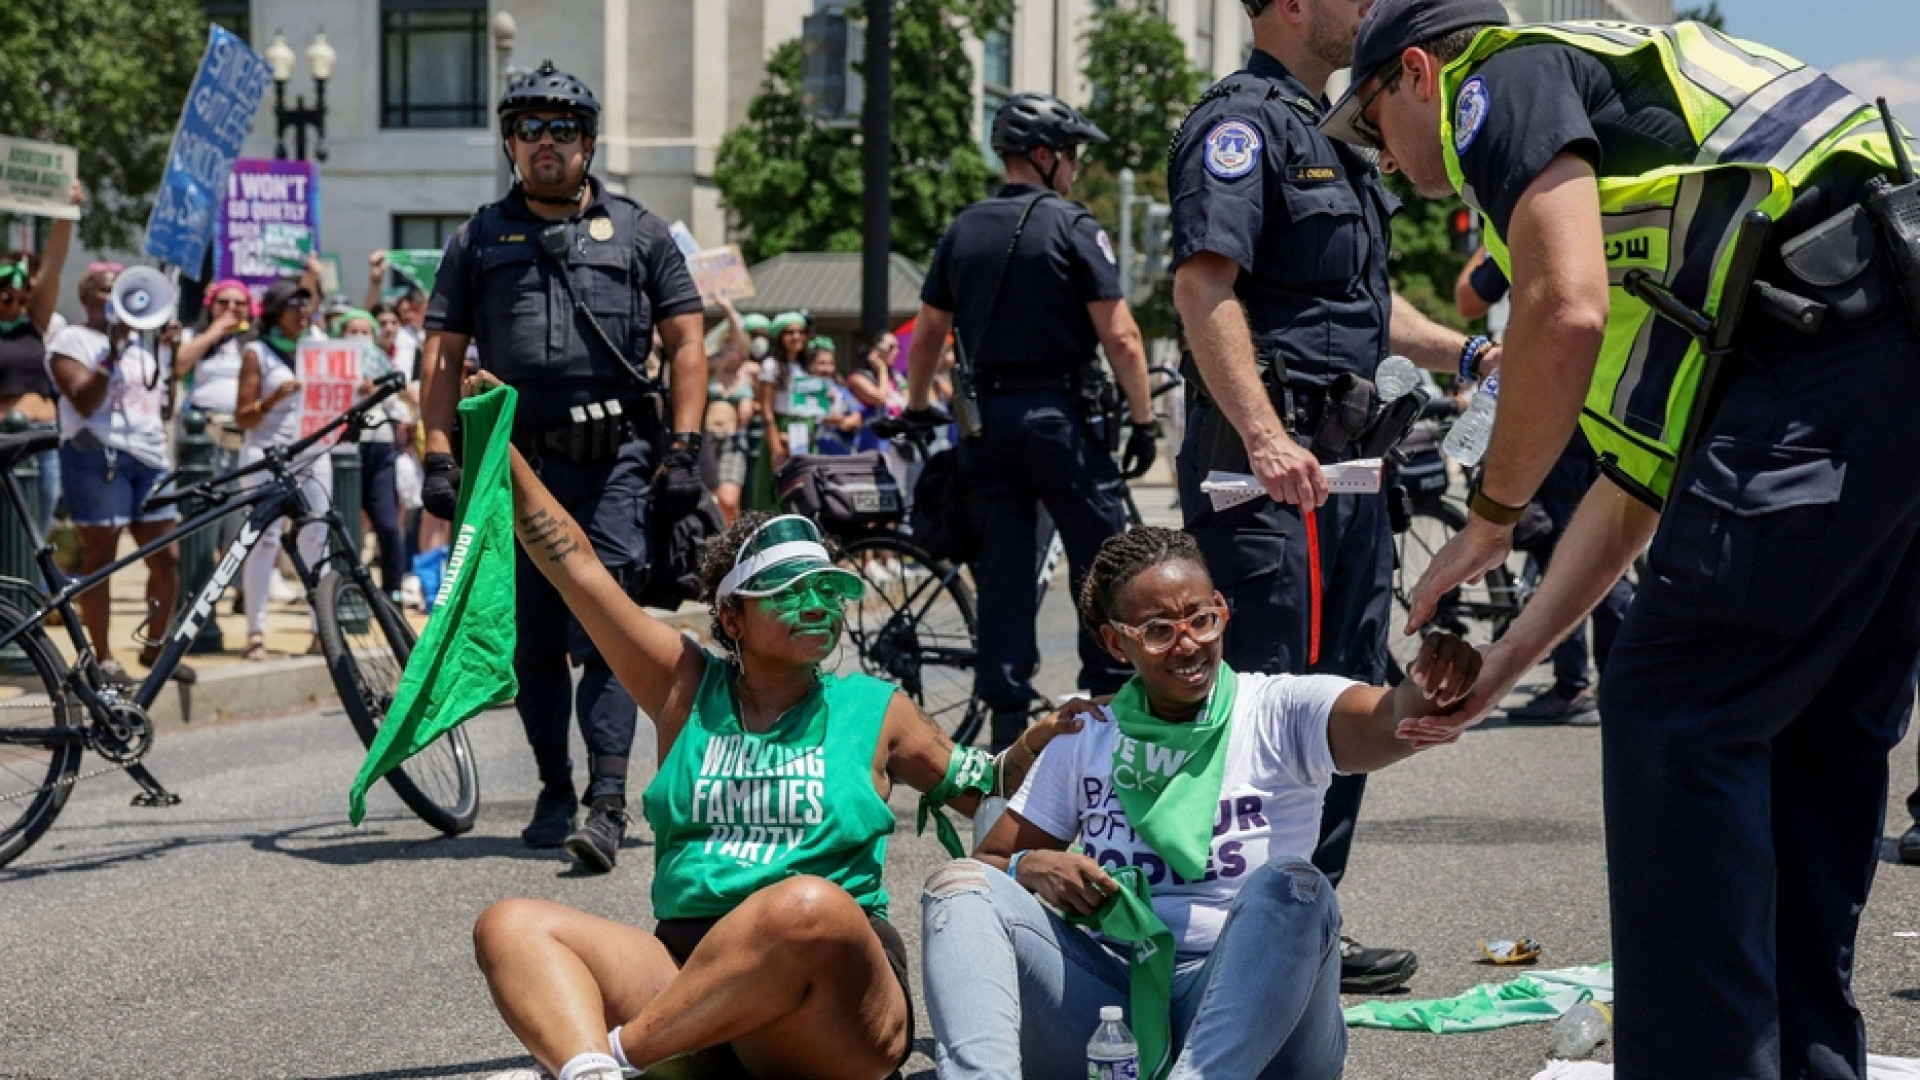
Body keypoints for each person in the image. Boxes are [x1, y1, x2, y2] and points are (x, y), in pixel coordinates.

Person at [1323, 1, 1920, 1075]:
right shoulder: (1654, 174)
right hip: (1875, 356)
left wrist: (1491, 521)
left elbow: (1564, 310)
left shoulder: (1493, 83)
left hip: (1826, 361)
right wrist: (1510, 659)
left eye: (1370, 124)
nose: (1384, 156)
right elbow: (1636, 483)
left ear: (1412, 72)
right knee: (1806, 738)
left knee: (1678, 713)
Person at [473, 408, 1080, 1080]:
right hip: (689, 973)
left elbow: (989, 795)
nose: (817, 605)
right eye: (789, 592)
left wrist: (1035, 746)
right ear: (730, 614)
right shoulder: (685, 687)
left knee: (807, 904)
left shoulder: (877, 710)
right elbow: (577, 569)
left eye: (828, 590)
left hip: (828, 994)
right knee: (512, 925)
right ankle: (593, 1071)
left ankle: (614, 1058)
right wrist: (500, 443)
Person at [1165, 0, 1500, 994]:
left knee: (1348, 681)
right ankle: (1232, 928)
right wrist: (1265, 437)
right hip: (1270, 471)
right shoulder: (1240, 126)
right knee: (1268, 688)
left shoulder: (1336, 132)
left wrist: (1472, 348)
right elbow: (1203, 288)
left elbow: (1362, 306)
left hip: (1349, 466)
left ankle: (1306, 917)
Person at [920, 527, 1482, 1079]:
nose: (1188, 643)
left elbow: (1387, 719)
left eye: (1200, 619)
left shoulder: (1279, 710)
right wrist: (1029, 864)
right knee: (958, 890)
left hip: (1266, 1021)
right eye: (1158, 630)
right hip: (1112, 1003)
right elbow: (989, 866)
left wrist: (1428, 688)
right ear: (1118, 642)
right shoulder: (1087, 733)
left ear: (1221, 611)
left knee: (1292, 885)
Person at [418, 59, 708, 871]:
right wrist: (438, 452)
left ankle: (608, 800)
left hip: (615, 460)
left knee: (609, 630)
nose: (547, 144)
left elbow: (688, 342)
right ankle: (554, 786)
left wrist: (685, 447)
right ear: (512, 142)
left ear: (588, 141)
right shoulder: (476, 238)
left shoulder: (644, 232)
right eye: (530, 129)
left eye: (563, 130)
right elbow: (442, 355)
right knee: (534, 645)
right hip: (514, 467)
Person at [905, 92, 1159, 754]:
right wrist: (1143, 419)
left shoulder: (962, 229)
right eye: (1070, 155)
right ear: (1043, 157)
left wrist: (912, 406)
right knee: (1104, 558)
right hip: (1060, 418)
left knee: (1004, 571)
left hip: (986, 424)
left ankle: (1007, 728)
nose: (1074, 169)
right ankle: (1104, 705)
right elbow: (1123, 337)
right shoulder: (1073, 226)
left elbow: (928, 332)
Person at [1453, 253, 1630, 722]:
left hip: (1560, 408)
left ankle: (1575, 687)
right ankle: (1617, 686)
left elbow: (1468, 297)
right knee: (1608, 541)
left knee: (1562, 547)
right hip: (1616, 404)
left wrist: (1491, 236)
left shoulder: (1536, 228)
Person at [46, 264, 186, 686]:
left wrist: (170, 357)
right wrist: (113, 348)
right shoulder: (71, 341)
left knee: (167, 559)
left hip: (148, 459)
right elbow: (85, 401)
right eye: (109, 290)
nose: (117, 299)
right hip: (96, 456)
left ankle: (155, 646)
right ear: (87, 297)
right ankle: (102, 659)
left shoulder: (142, 350)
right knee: (101, 562)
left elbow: (161, 407)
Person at [233, 279, 334, 661]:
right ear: (276, 312)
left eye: (306, 306)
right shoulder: (257, 353)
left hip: (312, 453)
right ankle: (255, 632)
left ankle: (319, 631)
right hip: (266, 454)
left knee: (316, 538)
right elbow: (243, 417)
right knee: (264, 541)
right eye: (295, 306)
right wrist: (274, 398)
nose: (303, 314)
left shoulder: (320, 347)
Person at [0, 181, 83, 538]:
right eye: (6, 296)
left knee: (36, 536)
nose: (15, 303)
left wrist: (66, 215)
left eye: (22, 296)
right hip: (5, 441)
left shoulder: (34, 324)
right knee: (9, 537)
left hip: (44, 440)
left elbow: (53, 267)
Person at [334, 309, 408, 598]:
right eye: (353, 332)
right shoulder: (331, 364)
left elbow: (397, 409)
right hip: (344, 451)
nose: (360, 338)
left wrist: (378, 390)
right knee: (347, 527)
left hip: (378, 447)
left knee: (388, 525)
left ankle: (394, 591)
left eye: (365, 332)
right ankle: (345, 590)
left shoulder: (380, 364)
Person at [705, 300, 757, 525]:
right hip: (707, 437)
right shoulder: (711, 370)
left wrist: (728, 309)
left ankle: (731, 548)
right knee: (708, 499)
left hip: (733, 439)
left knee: (728, 500)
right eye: (726, 345)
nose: (731, 351)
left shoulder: (749, 372)